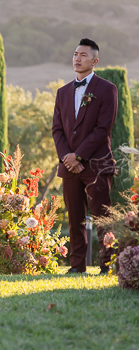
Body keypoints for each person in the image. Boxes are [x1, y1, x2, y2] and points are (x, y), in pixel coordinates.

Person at [52, 38, 118, 274]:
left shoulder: (107, 89)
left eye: (83, 55)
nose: (77, 59)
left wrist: (79, 156)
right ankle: (77, 266)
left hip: (97, 165)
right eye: (75, 54)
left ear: (95, 60)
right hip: (69, 167)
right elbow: (57, 130)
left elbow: (103, 129)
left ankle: (107, 265)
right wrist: (67, 158)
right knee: (75, 219)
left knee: (103, 218)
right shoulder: (62, 92)